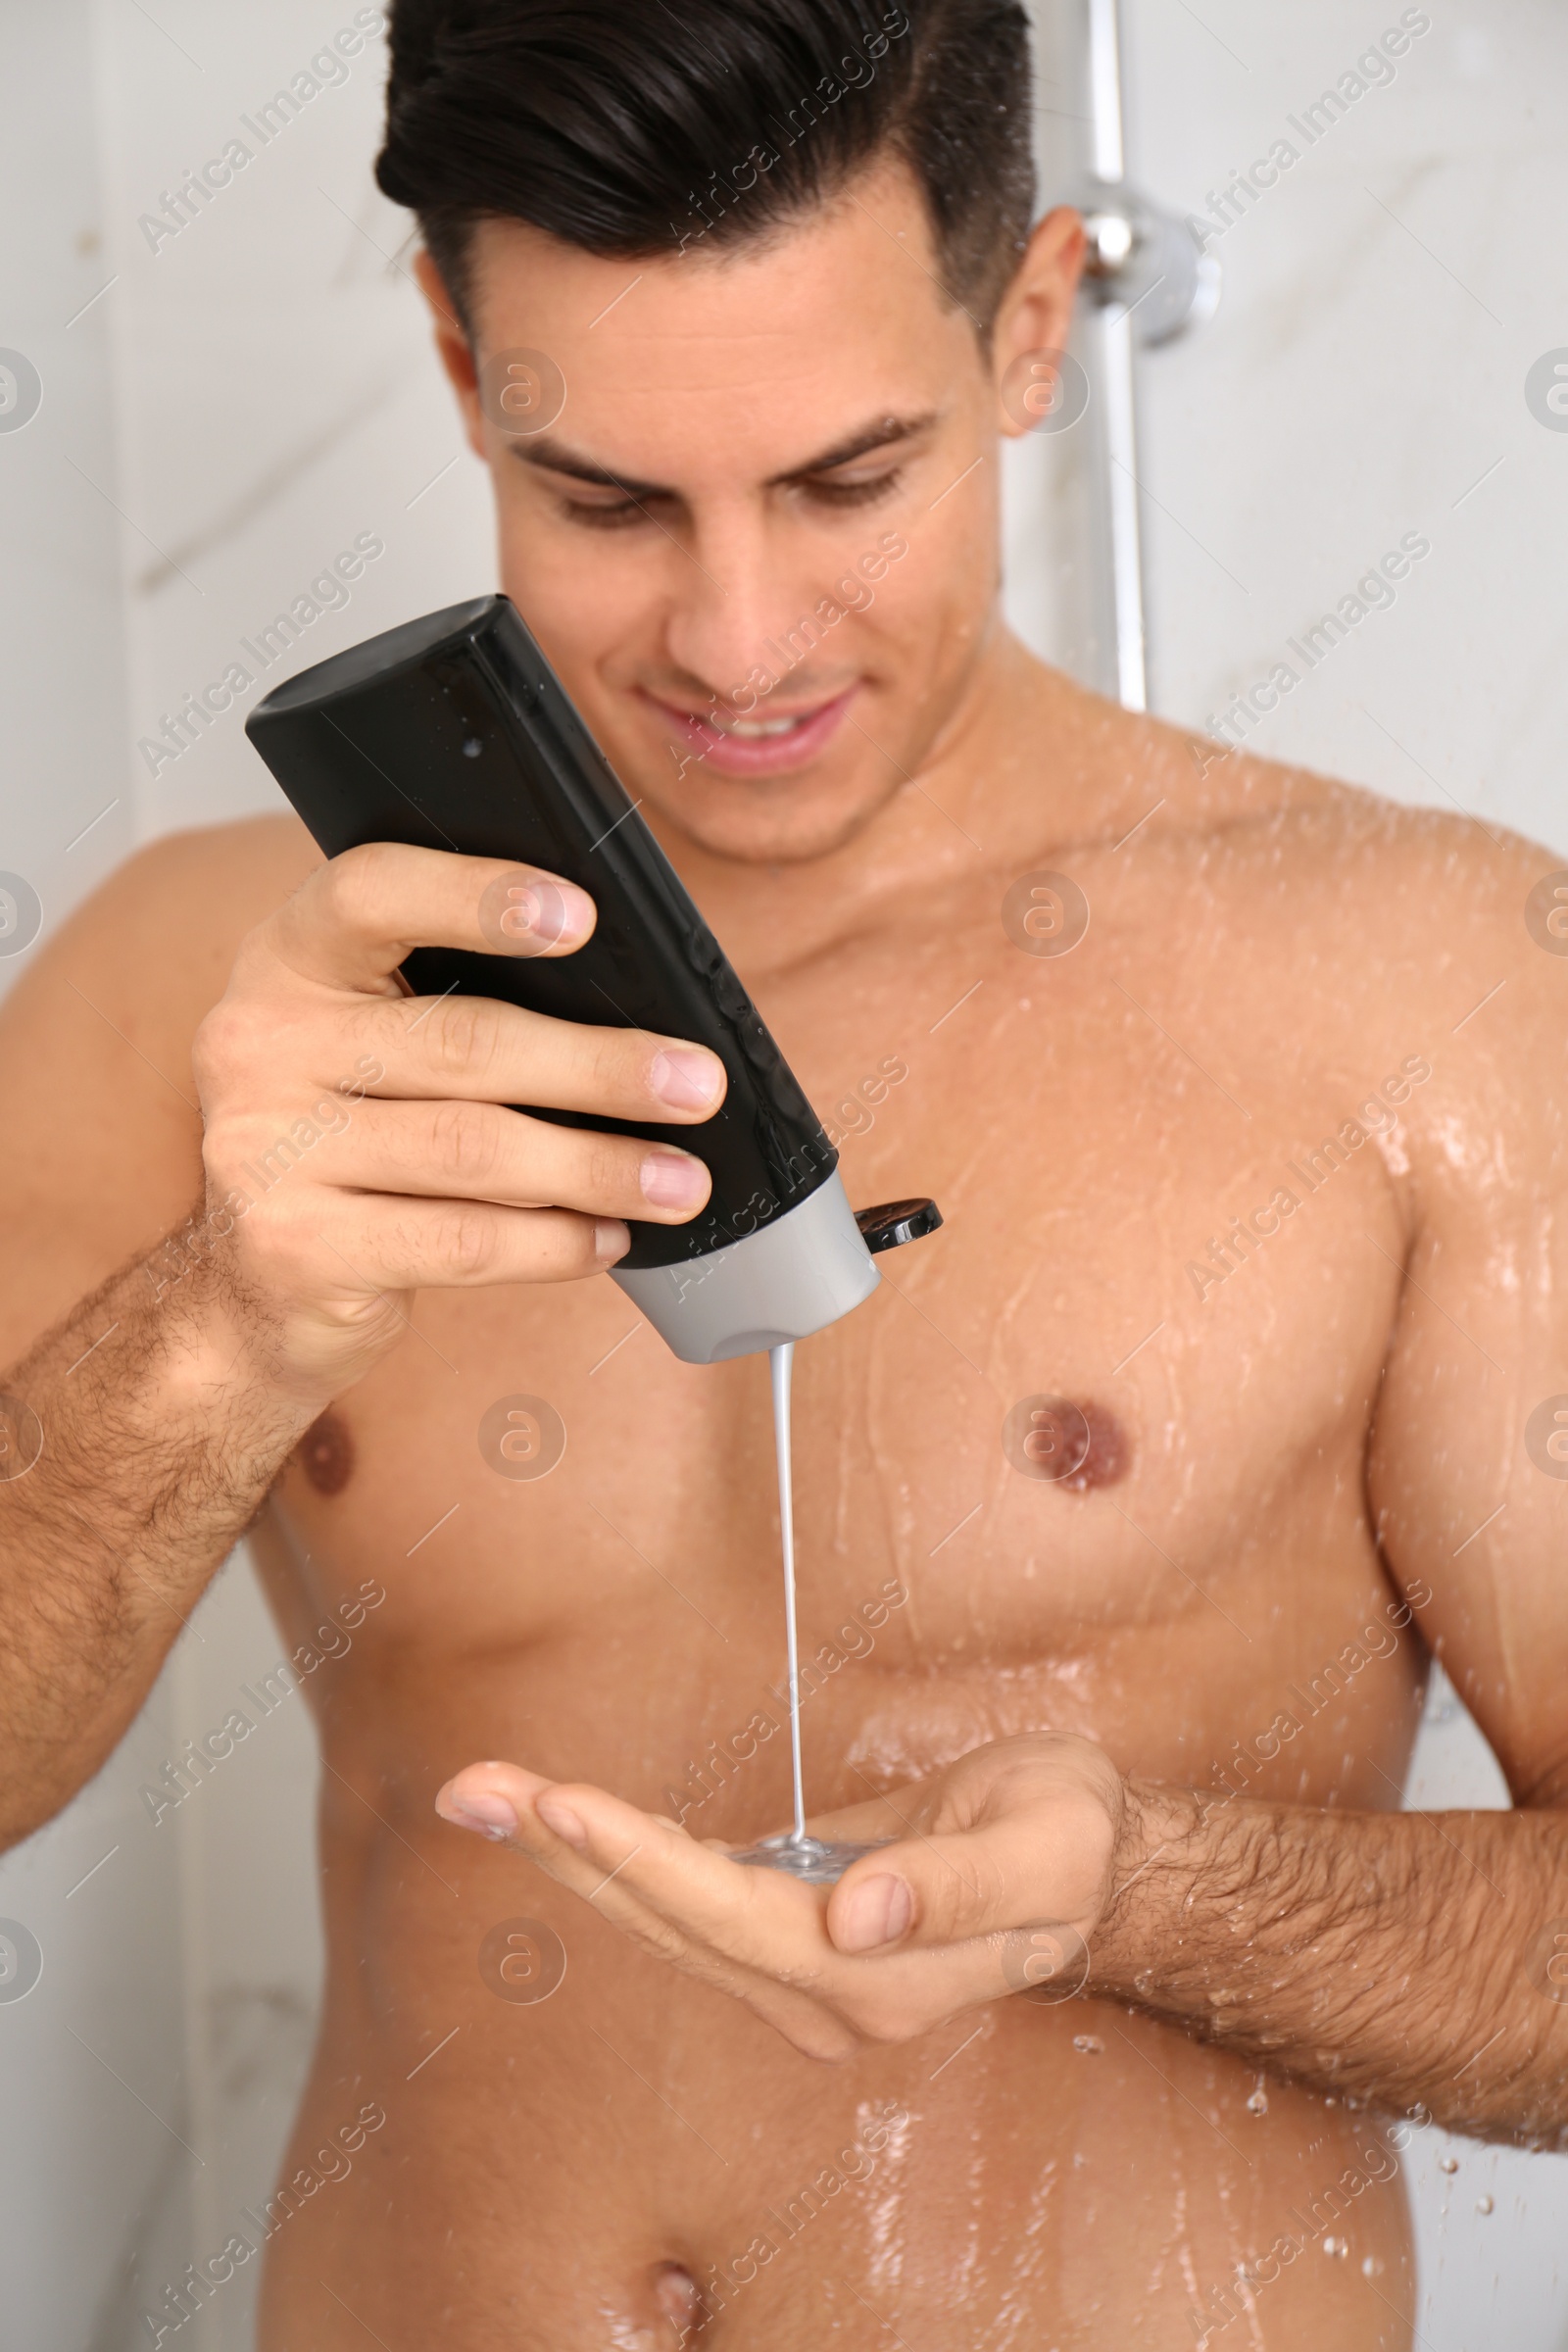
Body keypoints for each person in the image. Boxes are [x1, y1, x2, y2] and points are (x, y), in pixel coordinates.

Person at [1, 0, 1563, 2342]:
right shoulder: (195, 998)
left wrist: (1137, 1896)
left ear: (1027, 325)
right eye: (607, 501)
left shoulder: (1441, 988)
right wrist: (218, 1326)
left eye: (847, 482)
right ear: (454, 359)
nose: (735, 641)